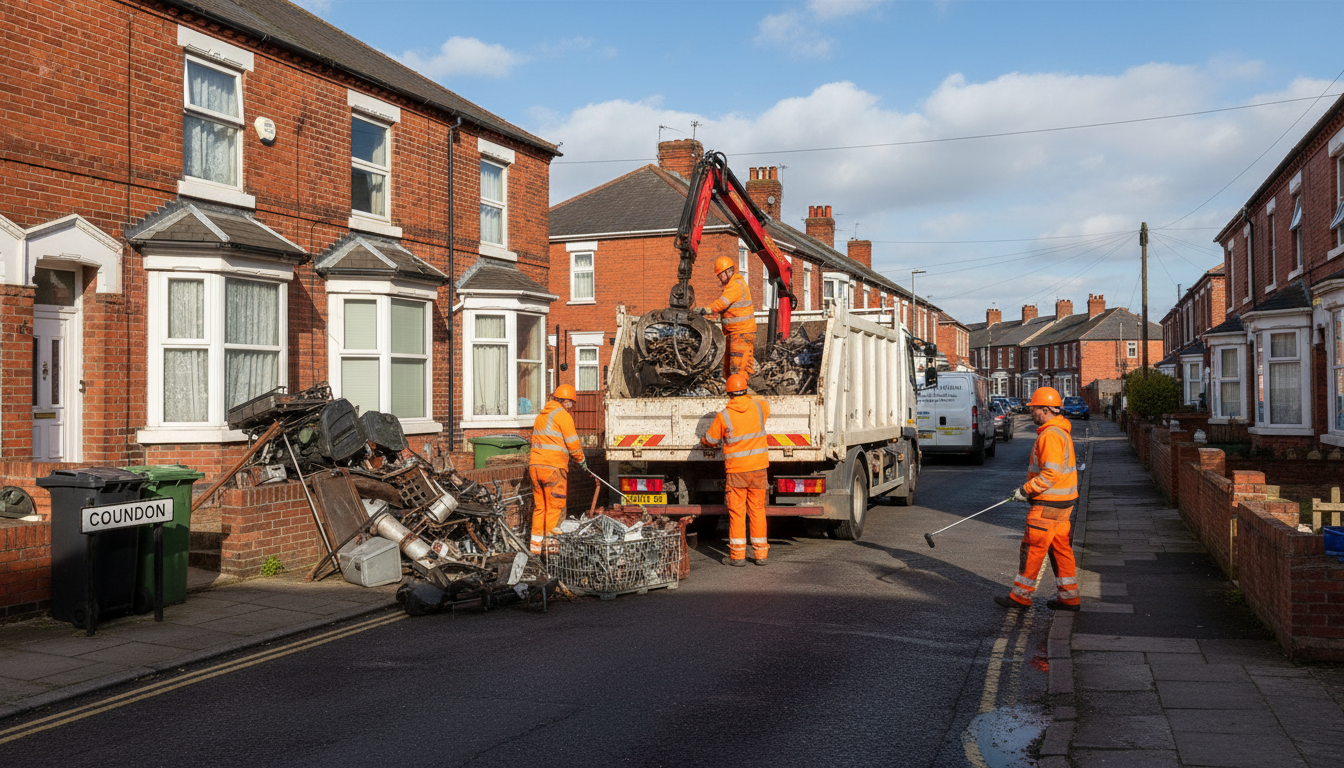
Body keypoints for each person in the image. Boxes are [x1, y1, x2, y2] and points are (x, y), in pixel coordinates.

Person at [996, 386, 1081, 612]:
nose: (1031, 412)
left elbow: (1050, 474)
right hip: (1064, 504)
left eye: (1034, 409)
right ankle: (1069, 597)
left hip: (1047, 504)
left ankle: (1020, 596)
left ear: (1045, 409)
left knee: (1033, 547)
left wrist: (1025, 490)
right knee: (1060, 549)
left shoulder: (1051, 435)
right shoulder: (1061, 432)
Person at [700, 374, 771, 566]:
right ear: (746, 390)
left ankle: (738, 557)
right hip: (758, 470)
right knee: (757, 511)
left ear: (728, 393)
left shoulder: (724, 415)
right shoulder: (759, 408)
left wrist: (704, 441)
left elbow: (711, 440)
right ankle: (761, 555)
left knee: (737, 513)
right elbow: (764, 402)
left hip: (737, 472)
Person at [528, 384, 587, 556]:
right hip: (553, 469)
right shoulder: (563, 416)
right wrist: (581, 460)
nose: (572, 408)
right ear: (566, 401)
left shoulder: (541, 415)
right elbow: (573, 444)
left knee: (540, 508)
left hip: (535, 467)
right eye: (572, 403)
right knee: (555, 509)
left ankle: (536, 549)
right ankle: (551, 553)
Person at [698, 255, 756, 380]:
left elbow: (721, 304)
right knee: (729, 369)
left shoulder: (735, 285)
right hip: (736, 333)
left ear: (726, 272)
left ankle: (742, 394)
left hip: (741, 333)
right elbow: (727, 310)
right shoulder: (735, 284)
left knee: (739, 369)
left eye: (719, 275)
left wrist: (704, 310)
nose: (719, 278)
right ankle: (732, 389)